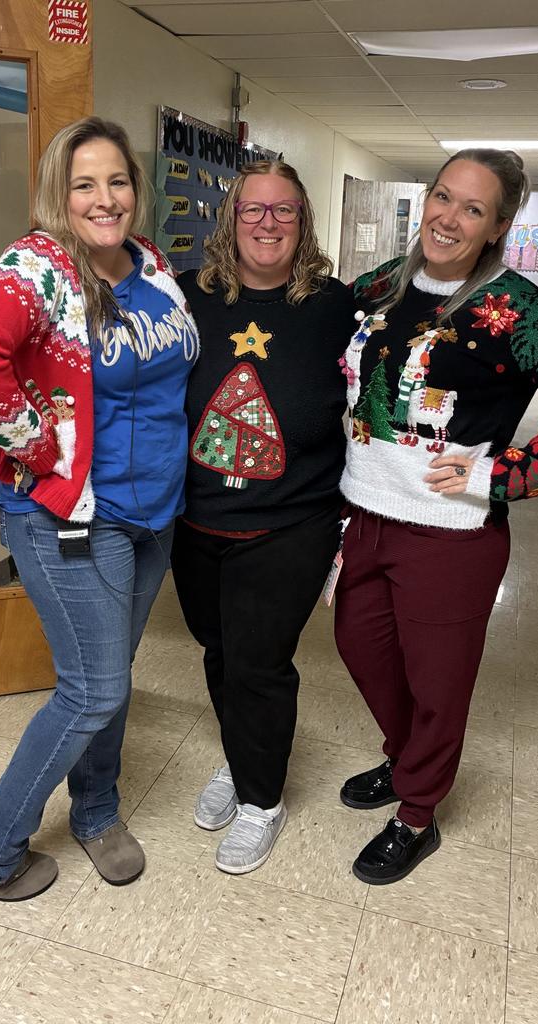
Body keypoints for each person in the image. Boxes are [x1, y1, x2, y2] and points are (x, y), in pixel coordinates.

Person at [335, 149, 538, 885]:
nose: (449, 217)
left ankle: (416, 813)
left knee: (437, 684)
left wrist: (505, 473)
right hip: (364, 514)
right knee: (360, 648)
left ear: (498, 225)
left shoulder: (520, 310)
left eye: (473, 208)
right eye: (443, 196)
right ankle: (404, 761)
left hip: (451, 532)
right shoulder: (381, 285)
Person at [0, 117, 199, 900]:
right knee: (94, 688)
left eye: (117, 180)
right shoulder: (40, 266)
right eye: (85, 183)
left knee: (108, 672)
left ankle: (96, 811)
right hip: (71, 516)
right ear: (60, 191)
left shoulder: (148, 261)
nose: (104, 197)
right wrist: (37, 446)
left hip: (153, 514)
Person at [170, 160, 358, 874]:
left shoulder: (335, 306)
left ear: (304, 222)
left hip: (292, 521)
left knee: (259, 662)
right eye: (253, 210)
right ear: (230, 218)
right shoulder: (189, 297)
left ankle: (262, 799)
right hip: (197, 517)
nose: (267, 224)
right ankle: (240, 756)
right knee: (218, 649)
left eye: (284, 211)